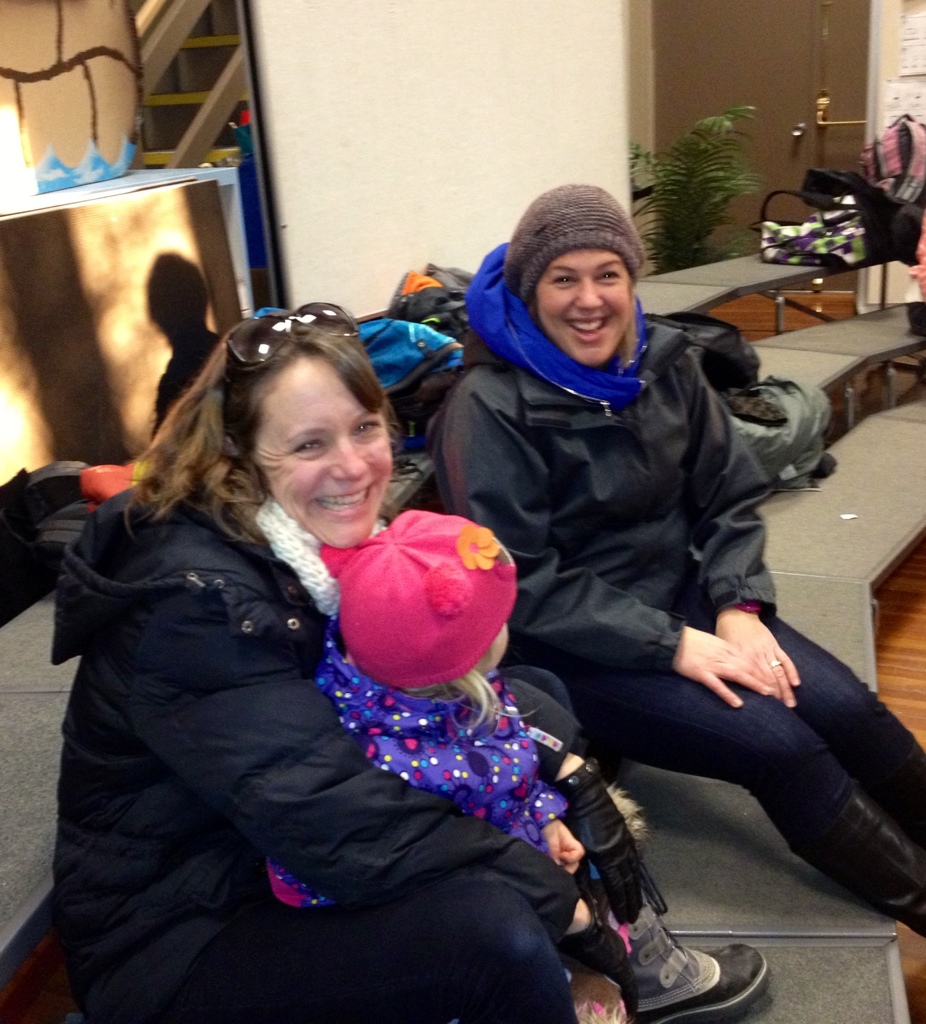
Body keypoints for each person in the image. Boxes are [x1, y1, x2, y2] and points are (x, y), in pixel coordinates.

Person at [51, 302, 762, 1024]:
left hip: (275, 858)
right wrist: (556, 900)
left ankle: (621, 955)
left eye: (364, 427)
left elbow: (419, 696)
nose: (354, 466)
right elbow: (329, 818)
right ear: (238, 453)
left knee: (537, 698)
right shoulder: (195, 606)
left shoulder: (300, 536)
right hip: (189, 928)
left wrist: (564, 770)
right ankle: (584, 960)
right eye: (309, 444)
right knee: (496, 931)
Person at [428, 183, 926, 938]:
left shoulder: (663, 360)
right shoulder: (488, 407)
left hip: (687, 598)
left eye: (607, 274)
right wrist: (673, 646)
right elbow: (521, 582)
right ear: (531, 291)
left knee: (848, 708)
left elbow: (730, 495)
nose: (589, 299)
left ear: (631, 279)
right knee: (783, 748)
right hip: (575, 648)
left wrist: (739, 603)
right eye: (563, 278)